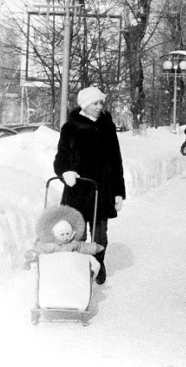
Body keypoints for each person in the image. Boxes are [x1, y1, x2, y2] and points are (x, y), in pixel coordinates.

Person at [54, 86, 126, 285]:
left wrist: (119, 191)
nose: (99, 107)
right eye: (95, 103)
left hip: (102, 191)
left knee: (100, 235)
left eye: (101, 103)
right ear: (85, 105)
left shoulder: (107, 128)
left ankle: (98, 263)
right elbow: (61, 158)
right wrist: (65, 172)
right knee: (79, 234)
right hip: (77, 190)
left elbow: (116, 161)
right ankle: (80, 267)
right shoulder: (70, 128)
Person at [23, 205, 105, 275]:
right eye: (62, 234)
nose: (65, 237)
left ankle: (88, 274)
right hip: (55, 268)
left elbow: (83, 247)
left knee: (92, 260)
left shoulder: (72, 243)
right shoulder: (52, 245)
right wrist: (33, 253)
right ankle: (37, 277)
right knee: (38, 265)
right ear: (55, 235)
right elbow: (41, 249)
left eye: (67, 234)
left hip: (71, 268)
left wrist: (95, 247)